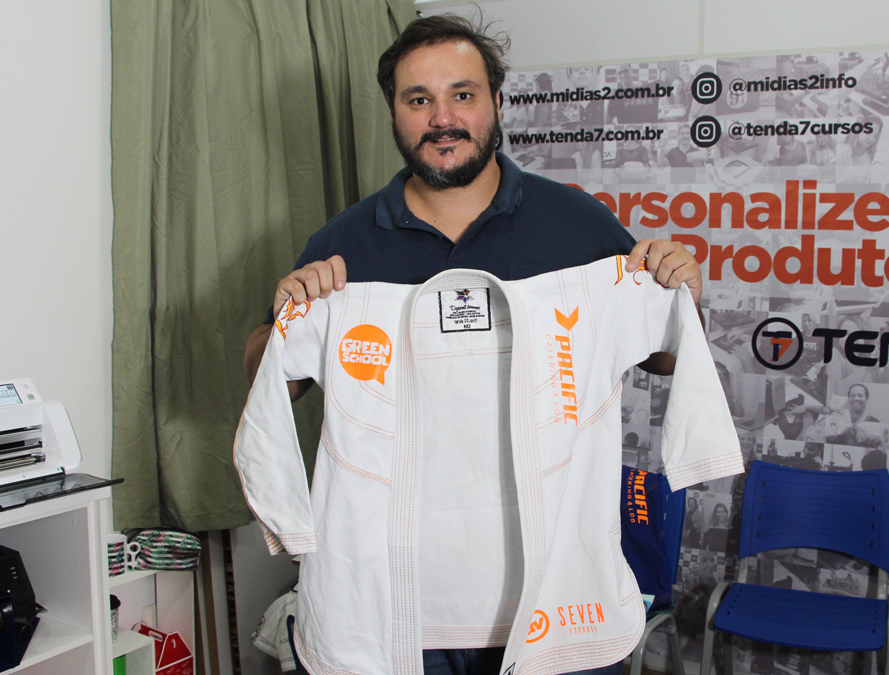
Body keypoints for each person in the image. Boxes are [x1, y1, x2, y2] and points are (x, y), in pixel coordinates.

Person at [241, 15, 705, 675]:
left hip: (555, 605)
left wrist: (682, 296)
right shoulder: (344, 244)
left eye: (462, 94)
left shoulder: (577, 226)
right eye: (418, 99)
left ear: (495, 101)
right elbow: (272, 380)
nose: (443, 117)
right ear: (394, 113)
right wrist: (286, 316)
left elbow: (662, 355)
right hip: (394, 615)